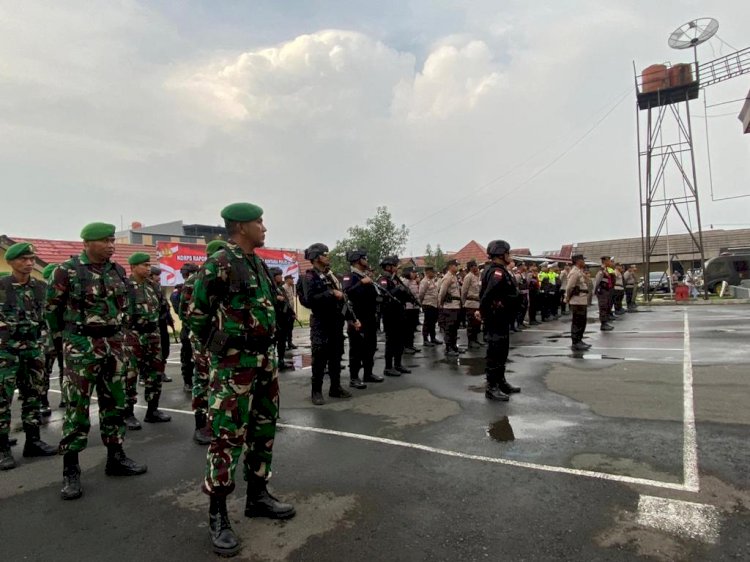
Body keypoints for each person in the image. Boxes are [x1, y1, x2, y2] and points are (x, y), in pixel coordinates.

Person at [187, 203, 295, 557]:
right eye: (259, 221)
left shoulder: (257, 263)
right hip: (234, 366)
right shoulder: (220, 262)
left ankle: (257, 495)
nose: (264, 226)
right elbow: (196, 313)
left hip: (264, 361)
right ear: (241, 227)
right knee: (227, 436)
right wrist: (221, 349)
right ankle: (218, 515)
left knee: (264, 429)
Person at [46, 223, 147, 501]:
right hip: (80, 345)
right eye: (105, 241)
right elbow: (52, 310)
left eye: (113, 240)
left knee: (114, 403)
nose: (111, 245)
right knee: (77, 408)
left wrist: (121, 336)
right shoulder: (66, 271)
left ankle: (116, 457)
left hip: (113, 344)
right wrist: (64, 344)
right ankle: (71, 470)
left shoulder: (117, 271)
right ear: (87, 243)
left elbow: (125, 307)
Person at [1, 243, 58, 471]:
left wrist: (48, 343)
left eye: (31, 259)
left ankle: (33, 441)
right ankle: (3, 448)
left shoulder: (41, 287)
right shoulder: (2, 287)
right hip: (6, 352)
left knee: (33, 396)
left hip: (34, 350)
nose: (29, 263)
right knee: (2, 401)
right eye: (23, 259)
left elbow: (48, 316)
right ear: (11, 262)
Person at [179, 239, 227, 446]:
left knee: (221, 379)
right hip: (203, 338)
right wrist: (203, 334)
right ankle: (201, 426)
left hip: (222, 338)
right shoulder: (196, 279)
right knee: (203, 379)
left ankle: (218, 421)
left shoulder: (227, 278)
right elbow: (184, 312)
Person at [301, 243, 359, 406]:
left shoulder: (332, 277)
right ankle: (316, 392)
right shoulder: (308, 277)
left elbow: (343, 301)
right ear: (317, 257)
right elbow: (309, 300)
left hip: (336, 322)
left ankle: (335, 387)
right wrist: (331, 293)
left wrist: (353, 319)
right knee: (319, 359)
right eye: (325, 254)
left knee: (335, 356)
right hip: (321, 323)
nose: (328, 257)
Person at [122, 253, 171, 431]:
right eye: (144, 265)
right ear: (133, 267)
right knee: (130, 375)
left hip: (153, 334)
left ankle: (152, 410)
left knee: (155, 374)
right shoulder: (125, 287)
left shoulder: (154, 287)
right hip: (132, 335)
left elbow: (161, 308)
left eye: (149, 265)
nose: (148, 268)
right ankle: (127, 413)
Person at [479, 240, 521, 401]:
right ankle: (492, 387)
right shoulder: (496, 272)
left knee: (502, 352)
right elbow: (488, 295)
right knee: (495, 353)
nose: (509, 256)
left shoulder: (501, 270)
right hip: (495, 318)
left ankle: (501, 382)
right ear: (501, 254)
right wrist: (483, 313)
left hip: (502, 318)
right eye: (508, 253)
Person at [342, 249, 383, 389]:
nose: (367, 260)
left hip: (370, 317)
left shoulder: (366, 276)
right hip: (357, 318)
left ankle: (368, 374)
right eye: (364, 258)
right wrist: (362, 283)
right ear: (357, 260)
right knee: (356, 349)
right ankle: (354, 378)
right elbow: (347, 293)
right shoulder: (350, 276)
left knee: (370, 347)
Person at [378, 256, 412, 377]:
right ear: (388, 267)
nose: (397, 268)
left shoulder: (396, 279)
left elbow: (403, 293)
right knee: (391, 341)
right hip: (390, 314)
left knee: (400, 340)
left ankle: (398, 364)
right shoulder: (383, 279)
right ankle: (388, 367)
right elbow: (385, 294)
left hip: (399, 312)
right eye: (394, 266)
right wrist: (398, 289)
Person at [176, 263, 200, 392]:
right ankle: (189, 382)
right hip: (195, 327)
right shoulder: (195, 281)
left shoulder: (190, 282)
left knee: (188, 356)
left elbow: (182, 310)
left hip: (190, 326)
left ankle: (189, 382)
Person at [41, 263, 62, 412]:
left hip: (62, 337)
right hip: (47, 339)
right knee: (44, 371)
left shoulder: (64, 294)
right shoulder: (42, 294)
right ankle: (42, 401)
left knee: (65, 369)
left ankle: (65, 399)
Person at [564, 255, 592, 352]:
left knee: (582, 322)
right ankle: (575, 343)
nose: (584, 262)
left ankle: (579, 340)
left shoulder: (579, 271)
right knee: (577, 322)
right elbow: (569, 287)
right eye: (582, 260)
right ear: (578, 261)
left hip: (581, 300)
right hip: (577, 300)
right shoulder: (574, 272)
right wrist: (567, 297)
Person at [151, 265, 174, 382]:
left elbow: (165, 306)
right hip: (152, 326)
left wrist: (169, 319)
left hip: (162, 323)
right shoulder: (146, 289)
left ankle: (161, 372)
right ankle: (146, 375)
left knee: (164, 349)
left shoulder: (158, 289)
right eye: (156, 276)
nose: (159, 279)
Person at [270, 267, 295, 372]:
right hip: (275, 319)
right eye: (278, 275)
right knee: (273, 342)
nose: (281, 276)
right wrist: (275, 298)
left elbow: (287, 302)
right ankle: (272, 363)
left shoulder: (281, 288)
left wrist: (292, 313)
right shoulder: (270, 288)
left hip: (284, 318)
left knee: (282, 341)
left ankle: (281, 361)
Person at [438, 259, 462, 357]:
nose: (457, 267)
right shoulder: (447, 277)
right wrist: (440, 303)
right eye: (455, 265)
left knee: (455, 328)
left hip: (455, 305)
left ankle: (454, 346)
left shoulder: (454, 277)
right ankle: (448, 348)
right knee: (449, 328)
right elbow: (442, 292)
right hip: (449, 306)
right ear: (450, 266)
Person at [461, 260, 483, 348]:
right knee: (471, 323)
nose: (476, 267)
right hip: (471, 303)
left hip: (477, 303)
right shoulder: (468, 277)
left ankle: (475, 339)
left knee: (477, 323)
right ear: (471, 267)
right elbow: (464, 291)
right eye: (475, 266)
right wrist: (463, 303)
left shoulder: (477, 277)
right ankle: (471, 341)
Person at [418, 266, 441, 347]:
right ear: (428, 272)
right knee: (427, 322)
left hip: (434, 304)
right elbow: (421, 294)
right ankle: (425, 339)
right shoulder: (424, 282)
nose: (434, 273)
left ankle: (433, 338)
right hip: (428, 304)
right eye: (432, 272)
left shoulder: (432, 281)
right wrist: (422, 303)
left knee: (433, 322)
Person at [401, 267, 421, 354]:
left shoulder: (414, 281)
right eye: (413, 272)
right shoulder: (405, 282)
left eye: (415, 272)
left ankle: (411, 345)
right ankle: (406, 346)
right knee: (407, 328)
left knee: (412, 328)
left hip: (415, 308)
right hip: (408, 308)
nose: (415, 274)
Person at [594, 256, 615, 331]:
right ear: (605, 261)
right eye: (609, 261)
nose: (610, 262)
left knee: (606, 306)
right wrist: (595, 291)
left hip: (606, 291)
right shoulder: (602, 270)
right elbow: (597, 281)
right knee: (603, 307)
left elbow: (611, 277)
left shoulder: (607, 269)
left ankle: (605, 322)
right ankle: (603, 324)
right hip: (602, 291)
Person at [281, 275, 297, 350]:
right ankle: (284, 344)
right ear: (287, 280)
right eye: (291, 279)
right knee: (286, 328)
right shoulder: (283, 287)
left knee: (290, 327)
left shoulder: (291, 287)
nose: (293, 280)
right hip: (286, 311)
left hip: (291, 310)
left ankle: (290, 343)